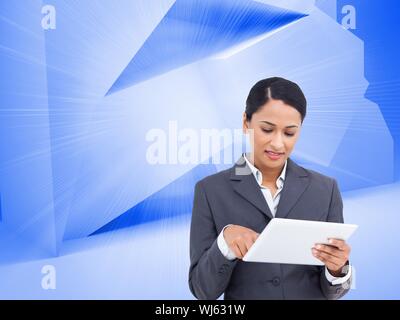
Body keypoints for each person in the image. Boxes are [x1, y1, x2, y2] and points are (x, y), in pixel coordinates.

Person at [188, 77, 352, 300]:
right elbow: (202, 291)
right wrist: (224, 244)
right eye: (267, 129)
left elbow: (334, 291)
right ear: (246, 123)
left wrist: (338, 269)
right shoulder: (210, 191)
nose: (277, 143)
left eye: (289, 133)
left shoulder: (325, 189)